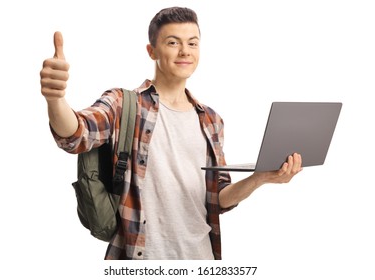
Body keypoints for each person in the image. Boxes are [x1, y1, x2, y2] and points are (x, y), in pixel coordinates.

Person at [40, 6, 302, 260]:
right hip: (141, 259)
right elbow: (76, 134)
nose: (185, 51)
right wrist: (55, 99)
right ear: (151, 50)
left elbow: (219, 198)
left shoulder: (211, 120)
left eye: (192, 43)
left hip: (202, 259)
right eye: (173, 42)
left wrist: (260, 178)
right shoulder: (123, 103)